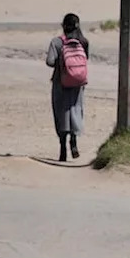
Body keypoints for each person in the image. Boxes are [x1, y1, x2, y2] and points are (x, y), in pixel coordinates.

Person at [45, 13, 89, 162]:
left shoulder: (57, 42)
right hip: (78, 84)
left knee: (61, 114)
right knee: (76, 111)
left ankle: (63, 148)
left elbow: (50, 61)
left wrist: (62, 63)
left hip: (60, 83)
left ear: (63, 26)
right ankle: (74, 142)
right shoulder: (83, 42)